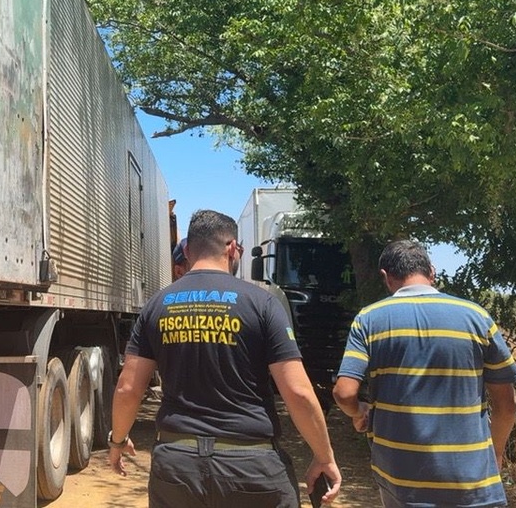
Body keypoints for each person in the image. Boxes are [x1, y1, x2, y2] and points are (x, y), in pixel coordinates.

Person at [108, 209, 341, 508]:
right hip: (251, 468)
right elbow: (297, 392)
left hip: (177, 467)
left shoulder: (157, 305)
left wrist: (118, 440)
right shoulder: (262, 303)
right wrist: (324, 457)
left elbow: (128, 389)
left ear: (188, 250)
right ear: (231, 248)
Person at [333, 239, 516, 508]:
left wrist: (358, 411)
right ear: (432, 272)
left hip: (401, 481)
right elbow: (507, 405)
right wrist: (495, 455)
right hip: (472, 481)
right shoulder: (476, 317)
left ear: (386, 278)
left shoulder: (369, 320)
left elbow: (344, 393)